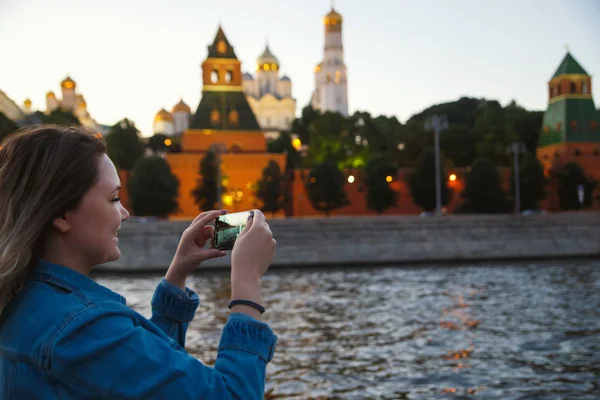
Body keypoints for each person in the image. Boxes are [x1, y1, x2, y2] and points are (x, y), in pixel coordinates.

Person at [0, 125, 277, 399]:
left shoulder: (24, 301)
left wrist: (177, 276)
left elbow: (137, 373)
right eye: (114, 198)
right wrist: (247, 283)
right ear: (61, 214)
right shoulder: (81, 327)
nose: (125, 213)